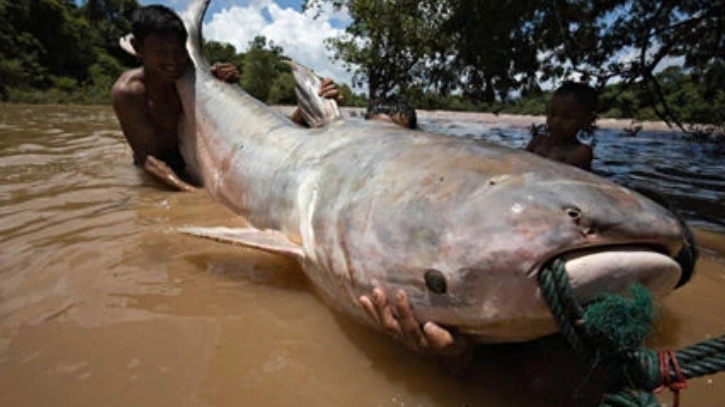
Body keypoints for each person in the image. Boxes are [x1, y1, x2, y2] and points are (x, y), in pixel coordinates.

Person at [112, 4, 240, 192]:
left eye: (179, 52)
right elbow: (147, 159)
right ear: (137, 48)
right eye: (161, 52)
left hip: (189, 160)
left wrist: (220, 78)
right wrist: (189, 192)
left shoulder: (187, 75)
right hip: (154, 172)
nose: (172, 61)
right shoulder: (129, 92)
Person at [525, 81, 599, 170]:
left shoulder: (580, 152)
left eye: (567, 117)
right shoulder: (537, 142)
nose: (556, 121)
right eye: (552, 114)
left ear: (586, 121)